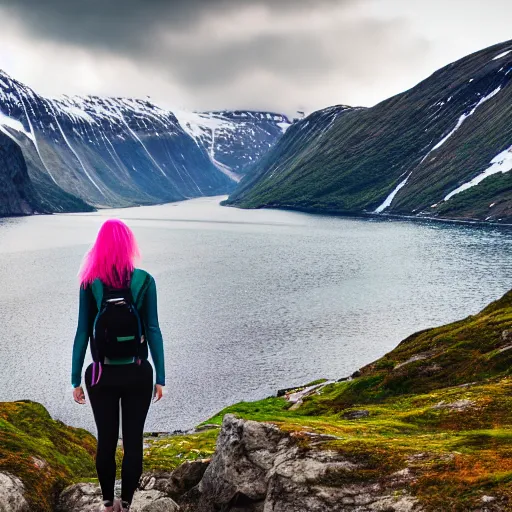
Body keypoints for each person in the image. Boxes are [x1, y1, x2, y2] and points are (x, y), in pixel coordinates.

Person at [71, 219, 165, 512]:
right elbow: (153, 329)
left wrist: (75, 379)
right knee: (133, 441)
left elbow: (82, 332)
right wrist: (160, 376)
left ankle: (108, 502)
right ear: (128, 246)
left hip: (101, 375)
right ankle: (126, 503)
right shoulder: (145, 281)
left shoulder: (90, 283)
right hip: (138, 372)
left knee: (107, 440)